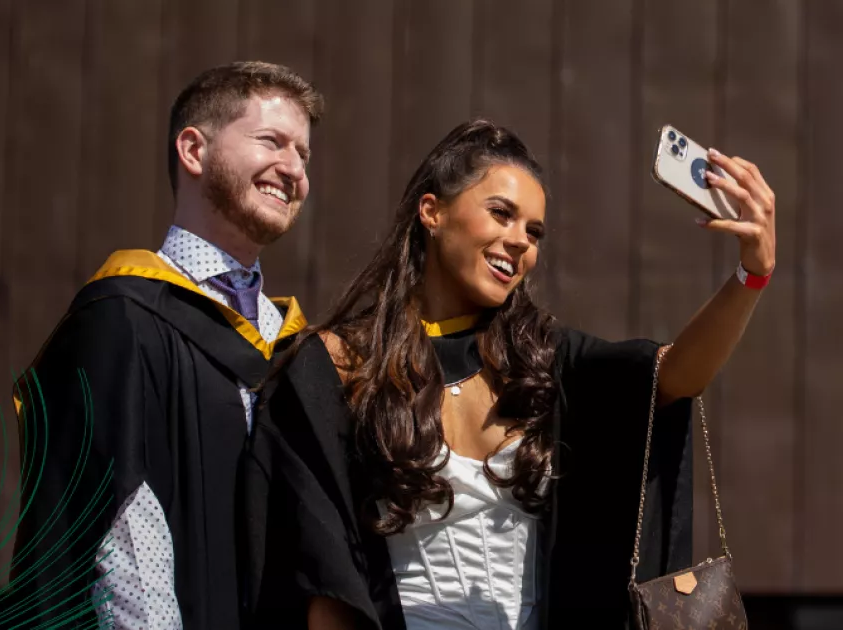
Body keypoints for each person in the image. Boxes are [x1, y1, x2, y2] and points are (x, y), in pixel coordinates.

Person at [239, 119, 776, 629]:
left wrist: (752, 273)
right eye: (501, 213)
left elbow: (676, 376)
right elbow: (317, 572)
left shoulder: (542, 360)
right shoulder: (338, 364)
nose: (521, 240)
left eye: (535, 231)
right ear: (432, 211)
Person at [8, 60, 322, 628]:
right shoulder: (121, 319)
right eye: (272, 142)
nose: (293, 169)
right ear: (194, 151)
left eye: (303, 154)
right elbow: (123, 530)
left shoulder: (293, 346)